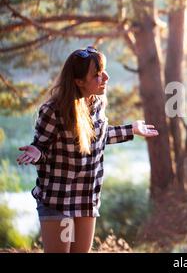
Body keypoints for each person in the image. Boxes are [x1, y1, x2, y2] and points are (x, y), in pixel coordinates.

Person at [16, 46, 159, 253]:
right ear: (79, 82)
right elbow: (41, 146)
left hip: (86, 197)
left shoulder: (97, 103)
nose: (106, 77)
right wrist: (37, 153)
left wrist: (132, 129)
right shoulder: (53, 110)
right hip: (59, 200)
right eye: (98, 74)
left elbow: (96, 137)